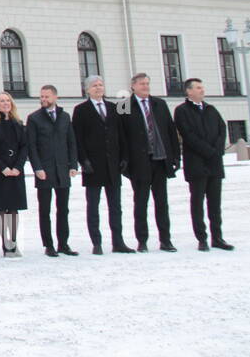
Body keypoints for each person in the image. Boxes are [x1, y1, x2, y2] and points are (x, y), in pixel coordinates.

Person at [119, 73, 180, 252]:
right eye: (142, 84)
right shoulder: (124, 105)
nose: (145, 86)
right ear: (133, 86)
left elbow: (170, 131)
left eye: (147, 83)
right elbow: (121, 135)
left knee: (162, 203)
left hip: (160, 161)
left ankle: (165, 240)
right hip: (139, 163)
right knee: (141, 203)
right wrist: (124, 161)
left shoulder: (159, 104)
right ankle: (142, 240)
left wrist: (175, 156)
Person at [72, 76, 133, 255]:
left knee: (116, 206)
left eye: (100, 85)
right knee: (93, 206)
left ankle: (118, 242)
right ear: (87, 90)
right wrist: (83, 160)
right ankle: (96, 242)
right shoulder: (81, 110)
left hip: (113, 165)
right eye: (94, 86)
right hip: (93, 166)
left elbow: (122, 134)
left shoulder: (114, 107)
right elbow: (78, 138)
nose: (98, 88)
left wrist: (124, 157)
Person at [172, 77, 234, 252]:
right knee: (197, 203)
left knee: (215, 204)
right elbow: (188, 135)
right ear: (189, 91)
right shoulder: (182, 111)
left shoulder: (211, 109)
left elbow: (222, 129)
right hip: (196, 164)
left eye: (202, 87)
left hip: (214, 164)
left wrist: (218, 150)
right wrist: (208, 151)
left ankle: (218, 237)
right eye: (198, 87)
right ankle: (202, 238)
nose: (202, 90)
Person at [26, 84, 80, 258]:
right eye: (41, 96)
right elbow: (32, 146)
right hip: (44, 170)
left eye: (47, 96)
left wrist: (73, 165)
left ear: (55, 97)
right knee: (45, 210)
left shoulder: (65, 117)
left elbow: (71, 142)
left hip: (62, 169)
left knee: (63, 209)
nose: (44, 99)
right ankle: (48, 245)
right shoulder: (34, 118)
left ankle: (63, 244)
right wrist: (37, 168)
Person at [0, 91, 27, 257]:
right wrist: (2, 168)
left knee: (14, 208)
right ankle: (5, 244)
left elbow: (24, 146)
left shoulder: (18, 123)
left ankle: (14, 243)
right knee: (1, 208)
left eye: (8, 100)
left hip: (16, 171)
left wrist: (18, 167)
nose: (5, 103)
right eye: (2, 101)